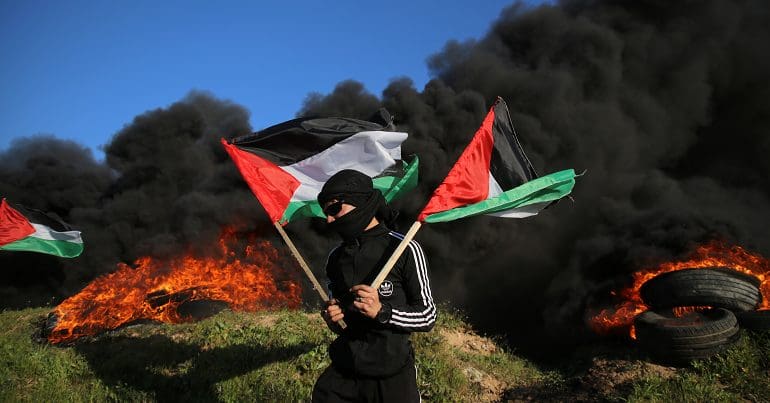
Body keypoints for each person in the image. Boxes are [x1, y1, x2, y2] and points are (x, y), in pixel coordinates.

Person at [311, 169, 436, 403]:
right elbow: (342, 322)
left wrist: (382, 312)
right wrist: (334, 317)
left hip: (392, 377)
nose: (328, 219)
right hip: (345, 374)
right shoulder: (335, 258)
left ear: (359, 203)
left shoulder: (405, 249)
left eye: (334, 209)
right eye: (325, 212)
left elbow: (428, 316)